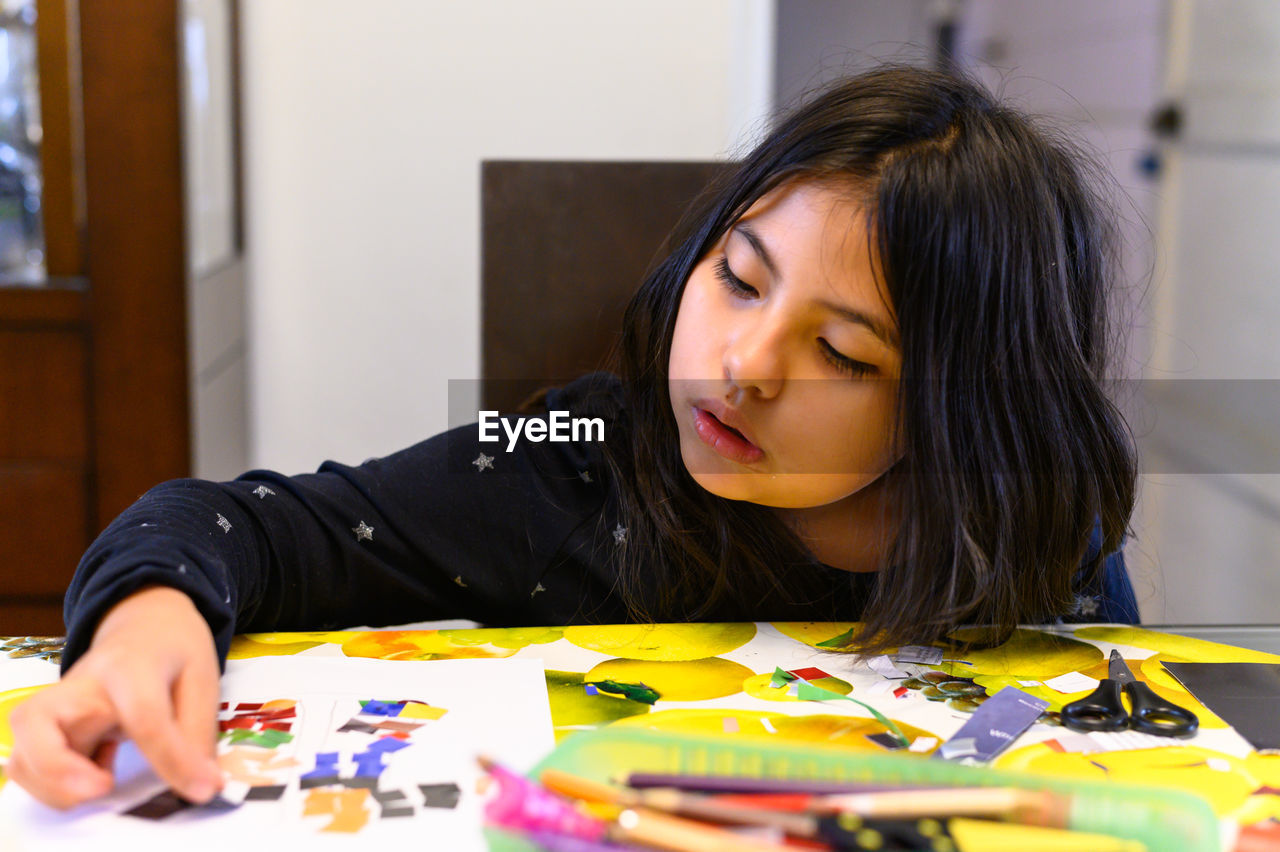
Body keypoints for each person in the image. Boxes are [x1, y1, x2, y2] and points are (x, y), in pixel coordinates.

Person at [8, 64, 1139, 810]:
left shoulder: (1024, 522)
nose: (740, 368)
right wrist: (141, 622)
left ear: (964, 411)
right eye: (737, 280)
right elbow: (243, 525)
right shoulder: (578, 453)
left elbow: (1115, 744)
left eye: (844, 356)